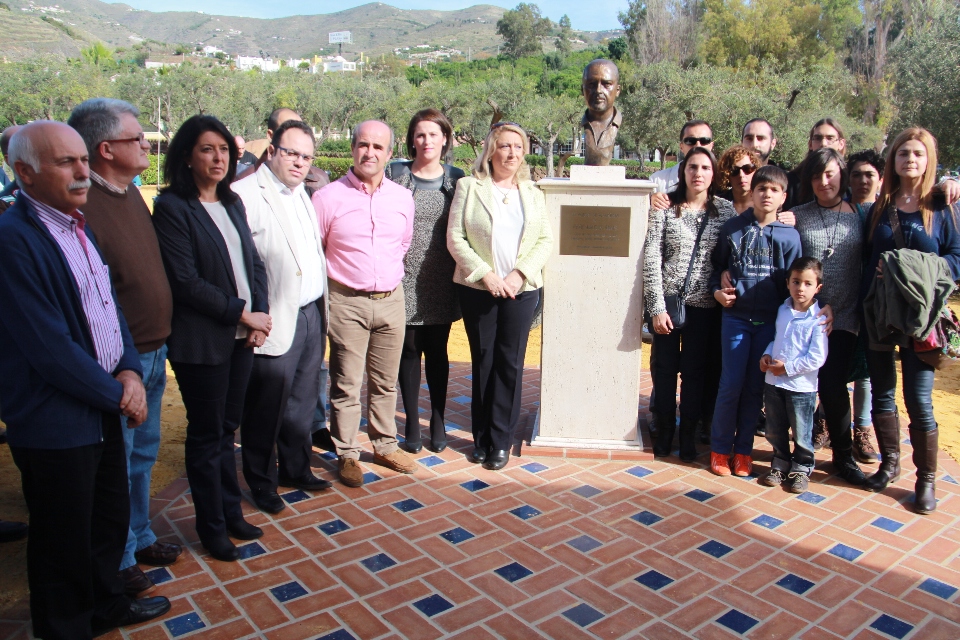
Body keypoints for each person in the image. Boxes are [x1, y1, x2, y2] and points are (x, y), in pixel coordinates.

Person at [0, 120, 170, 637]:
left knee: (104, 520)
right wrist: (121, 392)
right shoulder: (14, 241)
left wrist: (125, 368)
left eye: (82, 160)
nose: (82, 172)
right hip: (58, 420)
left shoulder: (78, 223)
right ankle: (67, 625)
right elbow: (49, 348)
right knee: (62, 539)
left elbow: (106, 304)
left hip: (102, 402)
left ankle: (105, 605)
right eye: (66, 162)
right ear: (24, 172)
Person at [67, 98, 182, 597]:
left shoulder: (129, 193)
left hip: (154, 352)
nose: (146, 145)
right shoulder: (82, 207)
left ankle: (139, 536)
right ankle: (118, 557)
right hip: (120, 363)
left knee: (143, 455)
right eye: (138, 139)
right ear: (107, 148)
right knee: (115, 464)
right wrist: (122, 366)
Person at [152, 115, 271, 561]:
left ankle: (230, 512)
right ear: (186, 155)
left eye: (223, 149)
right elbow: (185, 281)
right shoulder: (172, 208)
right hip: (203, 341)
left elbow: (253, 263)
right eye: (207, 149)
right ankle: (211, 527)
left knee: (226, 431)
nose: (218, 158)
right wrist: (244, 313)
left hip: (241, 335)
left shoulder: (232, 202)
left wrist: (259, 313)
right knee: (206, 437)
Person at [233, 119, 332, 515]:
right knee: (265, 407)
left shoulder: (301, 194)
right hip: (273, 318)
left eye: (306, 156)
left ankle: (296, 468)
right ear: (271, 150)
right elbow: (238, 264)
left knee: (302, 401)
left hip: (309, 313)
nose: (299, 162)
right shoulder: (243, 194)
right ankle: (261, 481)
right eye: (292, 152)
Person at [312, 120, 418, 487]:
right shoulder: (327, 198)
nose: (369, 152)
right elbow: (318, 248)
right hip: (346, 301)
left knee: (386, 381)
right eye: (363, 145)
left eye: (378, 147)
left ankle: (385, 445)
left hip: (391, 299)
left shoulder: (403, 198)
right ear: (353, 148)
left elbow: (402, 244)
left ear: (390, 154)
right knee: (346, 381)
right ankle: (347, 454)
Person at [862, 127, 960, 514]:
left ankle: (926, 481)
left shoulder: (943, 207)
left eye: (918, 154)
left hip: (921, 316)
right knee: (882, 391)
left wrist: (908, 269)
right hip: (880, 313)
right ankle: (890, 464)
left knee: (918, 399)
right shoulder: (880, 208)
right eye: (904, 153)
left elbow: (955, 260)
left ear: (928, 159)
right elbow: (869, 258)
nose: (910, 160)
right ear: (894, 160)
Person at [447, 122, 553, 470]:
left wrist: (518, 275)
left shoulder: (533, 193)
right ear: (491, 150)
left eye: (518, 147)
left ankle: (501, 440)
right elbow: (456, 238)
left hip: (521, 292)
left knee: (510, 364)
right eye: (505, 146)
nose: (511, 153)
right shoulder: (469, 187)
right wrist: (487, 275)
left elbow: (544, 241)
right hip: (479, 289)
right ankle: (481, 438)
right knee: (483, 360)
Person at [708, 165, 802, 477]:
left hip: (769, 325)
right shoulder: (733, 228)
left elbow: (793, 282)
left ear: (783, 197)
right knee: (731, 384)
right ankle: (720, 449)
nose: (766, 194)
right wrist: (716, 291)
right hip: (735, 319)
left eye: (774, 190)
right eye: (761, 188)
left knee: (753, 388)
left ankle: (744, 452)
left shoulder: (790, 238)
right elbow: (715, 268)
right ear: (753, 192)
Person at [643, 147, 735, 461]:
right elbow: (652, 256)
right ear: (683, 172)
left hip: (706, 307)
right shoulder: (665, 206)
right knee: (664, 370)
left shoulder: (725, 211)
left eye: (705, 168)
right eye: (692, 167)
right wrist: (655, 306)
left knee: (695, 374)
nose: (698, 173)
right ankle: (665, 430)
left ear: (713, 174)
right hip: (668, 303)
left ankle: (688, 434)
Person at [386, 109, 465, 453]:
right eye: (420, 135)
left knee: (437, 351)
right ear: (411, 140)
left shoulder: (456, 179)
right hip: (401, 277)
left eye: (433, 134)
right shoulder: (395, 175)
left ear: (445, 139)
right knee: (407, 350)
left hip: (440, 278)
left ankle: (437, 419)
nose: (426, 141)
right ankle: (411, 426)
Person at [791, 148, 867, 487]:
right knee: (802, 387)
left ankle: (844, 455)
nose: (825, 181)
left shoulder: (861, 215)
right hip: (808, 317)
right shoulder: (797, 215)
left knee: (834, 387)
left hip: (846, 316)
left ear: (842, 175)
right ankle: (799, 452)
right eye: (818, 175)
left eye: (831, 173)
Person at [759, 257, 829, 493]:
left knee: (801, 431)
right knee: (774, 428)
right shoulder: (782, 310)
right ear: (788, 283)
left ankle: (801, 468)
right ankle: (780, 463)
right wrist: (767, 356)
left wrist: (787, 368)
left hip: (800, 387)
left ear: (817, 287)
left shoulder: (818, 319)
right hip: (774, 383)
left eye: (808, 284)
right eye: (796, 282)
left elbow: (817, 357)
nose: (801, 288)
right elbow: (776, 340)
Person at [845, 149, 884, 464]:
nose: (861, 180)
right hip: (841, 298)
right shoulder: (842, 209)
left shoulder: (886, 212)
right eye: (856, 174)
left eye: (868, 174)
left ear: (881, 179)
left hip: (874, 302)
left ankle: (863, 428)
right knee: (833, 362)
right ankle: (826, 419)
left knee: (866, 370)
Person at [785, 118, 848, 210]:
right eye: (818, 138)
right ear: (810, 144)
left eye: (830, 138)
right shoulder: (792, 181)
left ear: (841, 144)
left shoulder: (850, 179)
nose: (823, 144)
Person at [649, 120, 714, 195]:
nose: (698, 146)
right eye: (690, 141)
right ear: (681, 146)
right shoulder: (657, 182)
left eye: (704, 141)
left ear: (711, 146)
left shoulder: (722, 184)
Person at [580, 59, 622, 166]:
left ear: (617, 90)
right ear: (582, 90)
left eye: (606, 84)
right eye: (591, 84)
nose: (598, 90)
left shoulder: (627, 127)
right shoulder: (578, 126)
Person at [717, 145, 761, 214]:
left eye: (747, 169)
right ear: (726, 174)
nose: (741, 175)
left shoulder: (765, 202)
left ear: (755, 171)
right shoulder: (717, 205)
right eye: (734, 170)